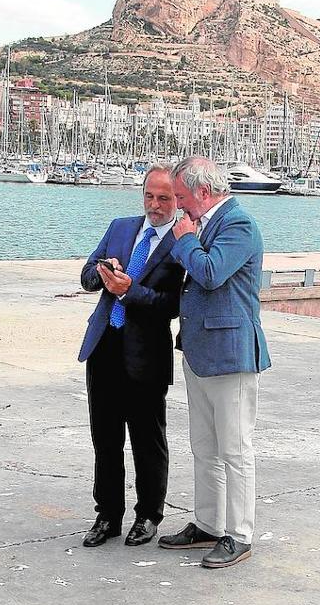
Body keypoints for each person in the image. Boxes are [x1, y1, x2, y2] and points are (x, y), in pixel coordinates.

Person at [158, 156, 270, 569]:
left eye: (182, 197)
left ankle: (239, 534)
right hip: (200, 351)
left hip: (231, 354)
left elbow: (209, 273)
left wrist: (185, 238)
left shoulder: (239, 225)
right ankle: (207, 523)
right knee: (203, 446)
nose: (178, 206)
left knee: (235, 448)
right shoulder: (202, 221)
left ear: (204, 193)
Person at [77, 164, 185, 548]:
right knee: (104, 438)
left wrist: (128, 291)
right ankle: (107, 515)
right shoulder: (120, 227)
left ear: (178, 199)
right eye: (150, 196)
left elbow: (173, 305)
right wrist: (103, 273)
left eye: (165, 198)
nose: (155, 206)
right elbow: (87, 273)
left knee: (147, 439)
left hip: (147, 356)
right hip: (104, 347)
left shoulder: (182, 241)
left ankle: (148, 515)